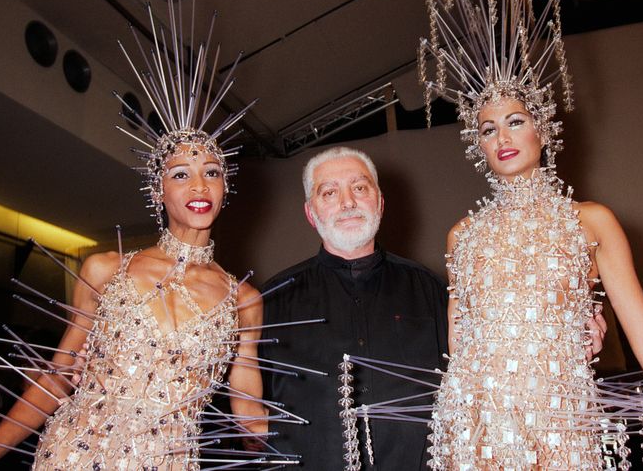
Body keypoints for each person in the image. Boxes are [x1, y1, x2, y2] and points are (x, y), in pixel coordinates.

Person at [416, 0, 643, 471]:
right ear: (477, 145)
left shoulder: (590, 222)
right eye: (488, 129)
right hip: (477, 438)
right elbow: (460, 352)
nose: (502, 137)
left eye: (516, 121)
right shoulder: (462, 236)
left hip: (561, 435)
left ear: (543, 129)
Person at [0, 0, 268, 469]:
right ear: (158, 191)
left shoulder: (245, 301)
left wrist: (273, 442)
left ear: (225, 186)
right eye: (180, 174)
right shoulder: (104, 270)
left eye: (212, 171)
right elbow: (57, 378)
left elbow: (249, 407)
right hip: (74, 455)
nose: (199, 184)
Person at [259, 146, 607, 469]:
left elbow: (489, 360)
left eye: (360, 188)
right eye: (329, 193)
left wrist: (561, 324)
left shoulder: (431, 289)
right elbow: (246, 406)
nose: (348, 202)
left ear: (380, 202)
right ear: (310, 212)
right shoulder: (272, 300)